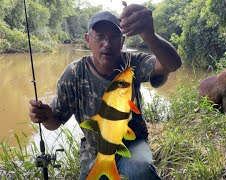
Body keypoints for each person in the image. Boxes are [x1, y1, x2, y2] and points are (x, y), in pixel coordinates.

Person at [28, 4, 181, 180]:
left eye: (114, 37)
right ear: (88, 39)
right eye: (100, 36)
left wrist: (150, 36)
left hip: (132, 141)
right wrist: (45, 116)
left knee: (141, 169)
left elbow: (172, 64)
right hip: (94, 149)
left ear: (122, 41)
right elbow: (54, 123)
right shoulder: (73, 74)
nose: (107, 44)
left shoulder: (132, 64)